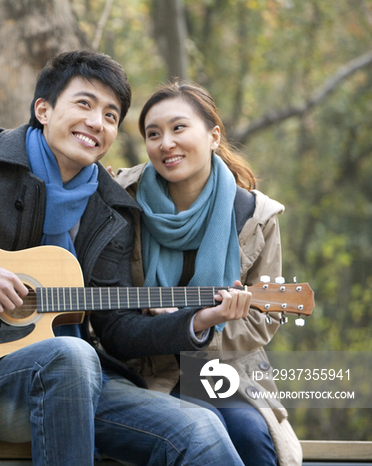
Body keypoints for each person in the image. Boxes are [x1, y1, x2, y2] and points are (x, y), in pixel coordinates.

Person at [0, 51, 245, 465]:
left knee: (202, 429)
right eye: (85, 104)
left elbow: (118, 332)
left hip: (85, 381)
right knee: (70, 357)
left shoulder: (110, 212)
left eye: (111, 116)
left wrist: (197, 321)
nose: (97, 122)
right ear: (43, 109)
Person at [99, 80, 303, 466]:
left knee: (251, 436)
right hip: (140, 368)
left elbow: (263, 319)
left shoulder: (255, 217)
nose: (166, 143)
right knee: (195, 428)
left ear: (213, 135)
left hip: (220, 369)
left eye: (179, 128)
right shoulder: (119, 198)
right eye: (153, 134)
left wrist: (202, 328)